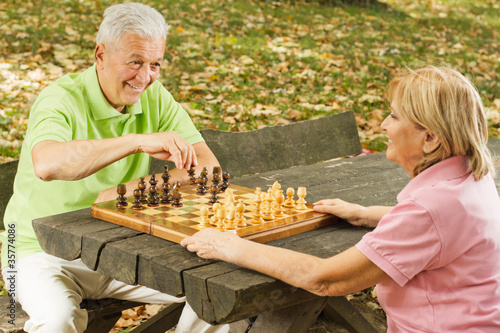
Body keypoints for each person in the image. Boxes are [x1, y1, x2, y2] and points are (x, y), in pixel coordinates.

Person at [182, 66, 500, 332]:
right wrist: (366, 213)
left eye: (394, 117)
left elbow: (325, 280)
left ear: (430, 138)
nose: (383, 125)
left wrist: (229, 246)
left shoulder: (426, 211)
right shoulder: (472, 176)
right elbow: (442, 230)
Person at [0, 3, 228, 333]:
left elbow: (208, 170)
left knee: (215, 287)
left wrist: (126, 191)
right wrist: (136, 140)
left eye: (155, 65)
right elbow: (47, 164)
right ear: (101, 55)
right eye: (135, 62)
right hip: (37, 250)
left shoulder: (154, 96)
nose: (145, 77)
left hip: (117, 247)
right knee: (56, 318)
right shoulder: (59, 99)